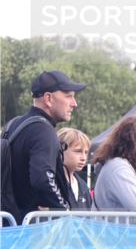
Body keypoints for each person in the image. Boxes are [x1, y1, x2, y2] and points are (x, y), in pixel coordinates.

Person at [3, 70, 86, 223]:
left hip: (8, 226)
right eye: (68, 96)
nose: (74, 103)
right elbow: (43, 179)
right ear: (48, 98)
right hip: (28, 230)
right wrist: (66, 211)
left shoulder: (13, 124)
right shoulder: (43, 131)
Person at [56, 127, 94, 210]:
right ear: (60, 150)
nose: (83, 158)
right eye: (78, 151)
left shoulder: (83, 186)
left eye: (86, 152)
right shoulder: (50, 182)